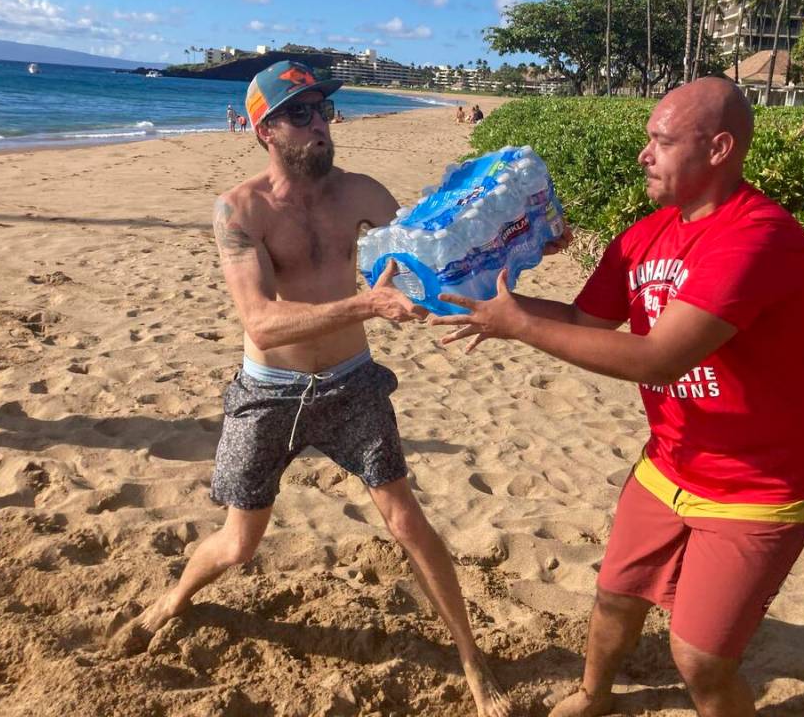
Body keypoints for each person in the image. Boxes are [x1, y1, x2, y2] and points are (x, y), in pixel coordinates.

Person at [432, 77, 804, 717]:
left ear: (719, 148)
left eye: (662, 140)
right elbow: (588, 324)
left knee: (700, 659)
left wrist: (522, 327)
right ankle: (593, 696)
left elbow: (660, 358)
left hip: (759, 481)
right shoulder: (643, 237)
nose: (644, 154)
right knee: (616, 595)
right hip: (670, 461)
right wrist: (491, 308)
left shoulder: (758, 238)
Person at [125, 61, 513, 717]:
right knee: (239, 545)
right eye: (299, 113)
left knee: (406, 521)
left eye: (323, 110)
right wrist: (366, 305)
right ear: (264, 130)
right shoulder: (239, 210)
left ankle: (472, 660)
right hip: (268, 390)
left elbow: (435, 256)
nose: (319, 124)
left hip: (351, 382)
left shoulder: (362, 194)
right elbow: (260, 321)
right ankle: (173, 597)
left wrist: (520, 244)